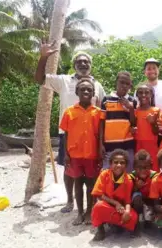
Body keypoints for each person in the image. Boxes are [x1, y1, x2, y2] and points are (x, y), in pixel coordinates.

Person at [35, 41, 105, 214]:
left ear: (90, 66)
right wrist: (43, 57)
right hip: (68, 133)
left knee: (91, 171)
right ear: (74, 65)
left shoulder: (98, 86)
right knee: (69, 169)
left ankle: (91, 202)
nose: (83, 64)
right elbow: (39, 79)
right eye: (79, 61)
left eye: (86, 61)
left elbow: (102, 111)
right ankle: (69, 201)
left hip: (91, 136)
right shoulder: (64, 80)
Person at [59, 78, 104, 225]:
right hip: (75, 155)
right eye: (83, 89)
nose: (86, 91)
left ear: (93, 93)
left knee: (91, 184)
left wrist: (100, 151)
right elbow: (65, 134)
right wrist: (66, 154)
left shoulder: (98, 113)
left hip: (91, 154)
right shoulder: (69, 112)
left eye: (89, 90)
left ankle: (90, 211)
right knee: (78, 183)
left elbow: (100, 135)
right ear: (77, 92)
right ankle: (79, 213)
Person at [91, 149, 138, 241]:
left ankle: (115, 224)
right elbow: (99, 194)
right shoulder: (104, 174)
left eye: (122, 163)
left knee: (133, 217)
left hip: (120, 209)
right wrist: (116, 203)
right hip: (106, 206)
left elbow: (128, 201)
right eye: (115, 162)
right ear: (110, 164)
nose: (119, 165)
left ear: (126, 165)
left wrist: (127, 211)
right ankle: (101, 230)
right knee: (98, 206)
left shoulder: (128, 179)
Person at [99, 72, 136, 172]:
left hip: (127, 146)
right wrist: (100, 144)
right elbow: (101, 123)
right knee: (107, 175)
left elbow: (134, 123)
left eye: (127, 84)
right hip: (110, 146)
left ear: (130, 86)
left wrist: (131, 108)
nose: (124, 86)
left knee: (128, 175)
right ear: (116, 82)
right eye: (121, 82)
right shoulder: (106, 100)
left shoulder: (132, 101)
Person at [130, 150, 158, 231]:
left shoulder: (155, 176)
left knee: (149, 220)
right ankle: (136, 221)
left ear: (151, 166)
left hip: (150, 200)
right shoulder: (131, 177)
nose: (142, 170)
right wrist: (136, 187)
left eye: (146, 167)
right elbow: (127, 194)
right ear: (134, 167)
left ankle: (148, 220)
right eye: (139, 167)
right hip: (136, 202)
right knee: (136, 196)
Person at [134, 84, 160, 171]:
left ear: (151, 95)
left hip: (152, 145)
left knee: (153, 169)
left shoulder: (156, 111)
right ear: (137, 95)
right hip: (138, 145)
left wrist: (152, 123)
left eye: (147, 92)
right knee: (140, 169)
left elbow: (157, 132)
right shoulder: (135, 111)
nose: (143, 95)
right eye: (140, 93)